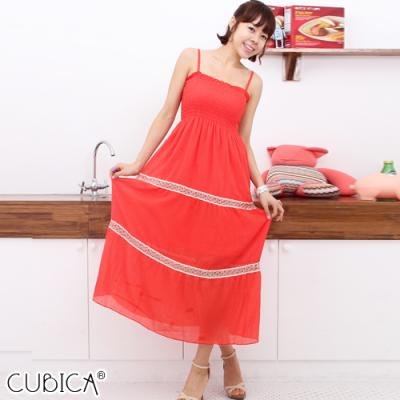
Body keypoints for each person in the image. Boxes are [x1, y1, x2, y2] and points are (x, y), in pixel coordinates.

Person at [93, 1, 284, 399]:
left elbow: (243, 139)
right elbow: (166, 114)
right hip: (182, 175)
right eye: (252, 28)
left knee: (216, 272)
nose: (256, 39)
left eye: (264, 36)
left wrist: (261, 188)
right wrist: (139, 163)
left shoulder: (253, 83)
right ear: (233, 23)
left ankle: (199, 368)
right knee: (194, 270)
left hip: (225, 184)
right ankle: (229, 355)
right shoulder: (191, 58)